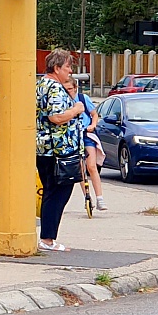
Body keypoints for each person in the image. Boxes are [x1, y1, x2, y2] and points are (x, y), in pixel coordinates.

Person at [36, 49, 85, 252]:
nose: (70, 72)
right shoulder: (55, 87)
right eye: (67, 67)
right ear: (56, 68)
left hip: (44, 148)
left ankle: (47, 237)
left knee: (51, 191)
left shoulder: (41, 84)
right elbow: (56, 117)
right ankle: (47, 239)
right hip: (58, 150)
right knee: (58, 193)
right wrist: (76, 109)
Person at [65, 77, 106, 211]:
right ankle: (87, 197)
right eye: (66, 89)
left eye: (70, 89)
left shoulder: (83, 98)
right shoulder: (64, 101)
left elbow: (94, 114)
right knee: (80, 169)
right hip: (73, 136)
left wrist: (93, 125)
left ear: (75, 88)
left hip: (86, 135)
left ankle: (100, 198)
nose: (68, 92)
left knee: (91, 166)